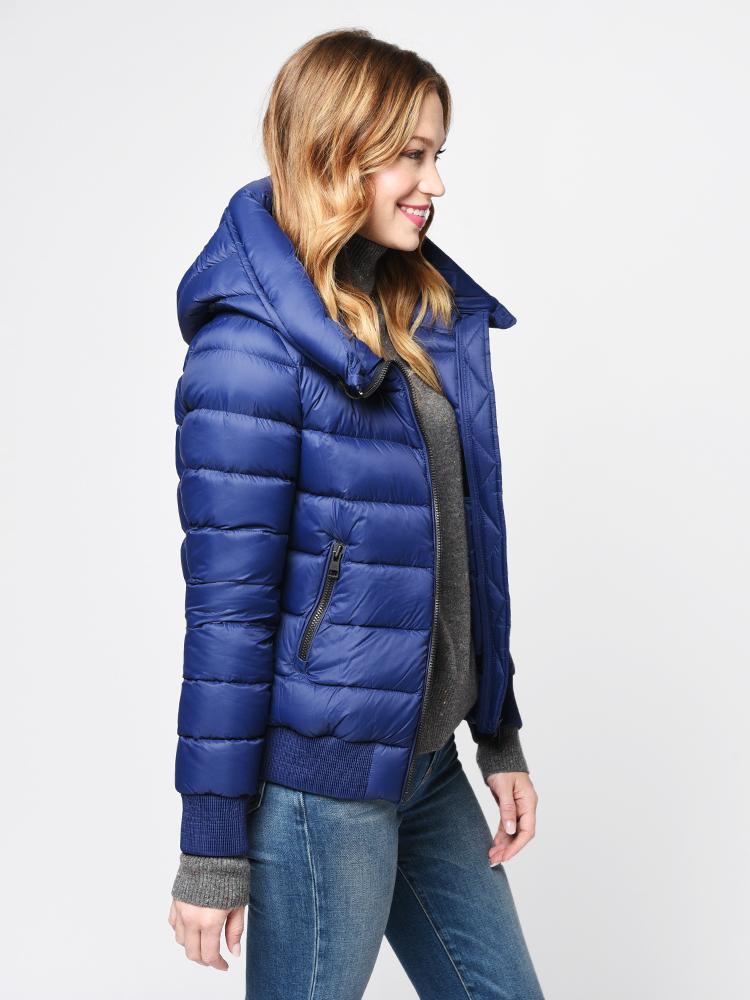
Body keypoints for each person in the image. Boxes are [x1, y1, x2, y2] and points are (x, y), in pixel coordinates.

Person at [167, 27, 544, 1000]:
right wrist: (211, 844)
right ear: (338, 152)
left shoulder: (416, 310)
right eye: (410, 156)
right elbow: (227, 616)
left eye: (437, 154)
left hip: (426, 766)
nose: (435, 184)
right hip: (320, 790)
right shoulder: (247, 353)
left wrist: (497, 730)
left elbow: (465, 542)